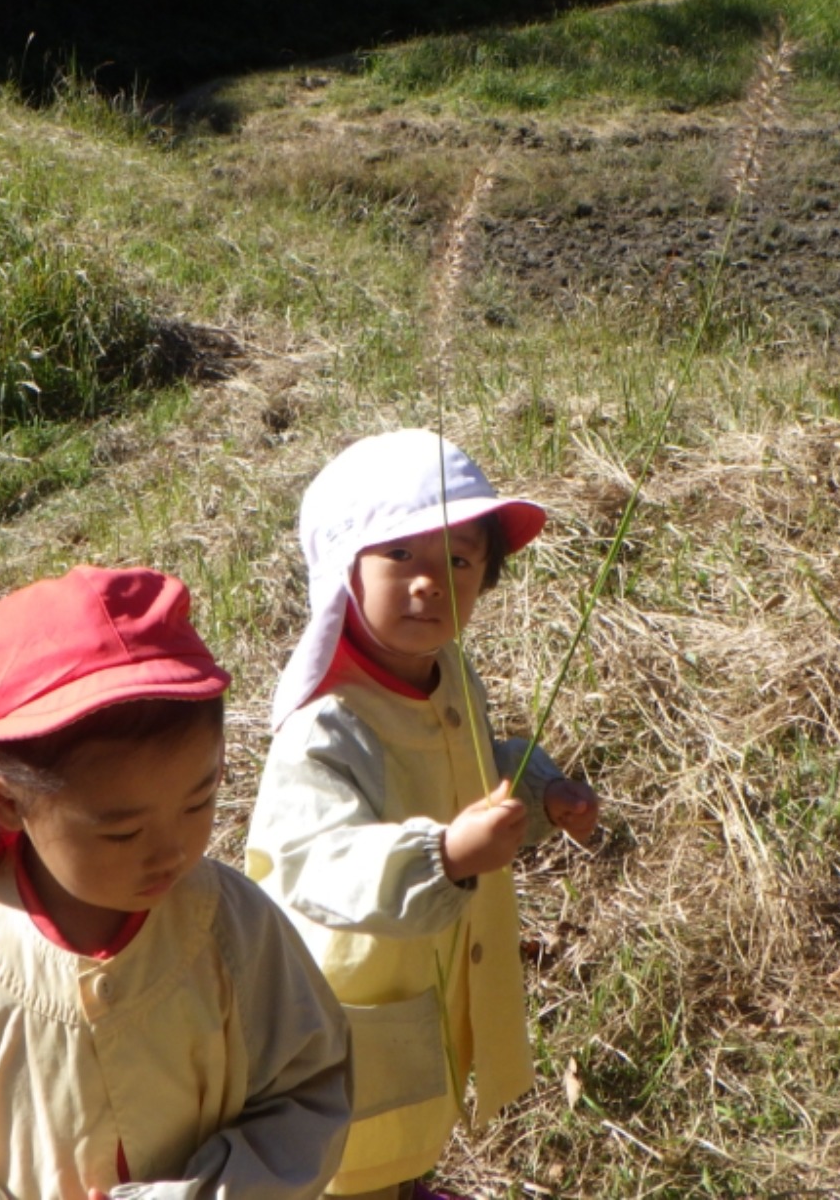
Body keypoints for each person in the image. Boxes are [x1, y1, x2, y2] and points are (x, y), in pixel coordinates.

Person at [0, 566, 353, 1200]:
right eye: (121, 833)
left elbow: (310, 1088)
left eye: (200, 801)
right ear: (7, 803)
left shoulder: (233, 924)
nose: (173, 850)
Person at [245, 430, 602, 1200]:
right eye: (399, 556)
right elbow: (313, 858)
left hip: (426, 981)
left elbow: (466, 770)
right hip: (348, 1001)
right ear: (346, 571)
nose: (430, 584)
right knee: (349, 1158)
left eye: (459, 561)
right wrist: (439, 857)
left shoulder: (450, 678)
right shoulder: (326, 726)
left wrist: (537, 790)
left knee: (412, 1124)